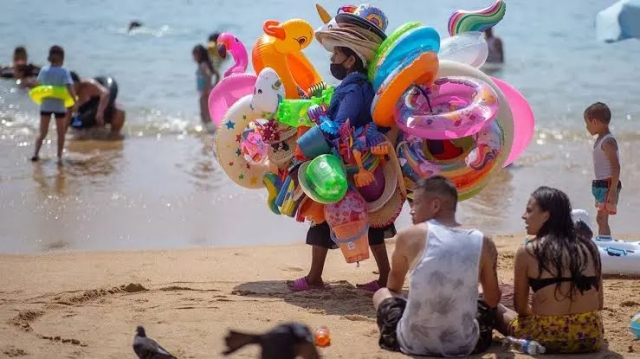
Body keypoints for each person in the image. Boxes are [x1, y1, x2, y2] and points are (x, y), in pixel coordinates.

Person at [287, 6, 394, 292]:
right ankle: (385, 277)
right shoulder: (357, 84)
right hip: (361, 160)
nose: (332, 58)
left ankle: (314, 278)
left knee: (323, 213)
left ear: (350, 59)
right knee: (372, 222)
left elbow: (340, 125)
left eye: (337, 53)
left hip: (348, 161)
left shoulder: (353, 88)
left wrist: (320, 118)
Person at [373, 175, 501, 356]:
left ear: (435, 205)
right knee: (482, 300)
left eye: (416, 203)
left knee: (382, 294)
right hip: (465, 346)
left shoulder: (408, 236)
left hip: (412, 344)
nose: (411, 211)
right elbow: (493, 299)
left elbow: (393, 288)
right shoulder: (484, 242)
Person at [496, 186, 604, 354]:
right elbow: (600, 303)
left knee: (497, 309)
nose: (524, 216)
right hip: (590, 336)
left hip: (547, 338)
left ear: (546, 216)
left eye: (529, 211)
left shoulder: (528, 251)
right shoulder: (589, 247)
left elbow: (521, 309)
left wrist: (547, 311)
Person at [32, 46, 77, 162]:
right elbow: (69, 87)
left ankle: (35, 154)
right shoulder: (64, 71)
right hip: (59, 107)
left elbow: (38, 86)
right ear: (62, 58)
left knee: (43, 132)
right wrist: (74, 101)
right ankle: (59, 157)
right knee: (61, 133)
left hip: (46, 105)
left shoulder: (44, 70)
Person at [584, 102, 621, 241]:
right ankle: (604, 241)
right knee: (601, 218)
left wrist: (612, 190)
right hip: (601, 184)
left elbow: (616, 167)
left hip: (608, 185)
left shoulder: (607, 141)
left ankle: (606, 244)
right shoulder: (601, 139)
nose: (587, 127)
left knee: (602, 218)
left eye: (587, 124)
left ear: (595, 121)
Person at [69, 72, 126, 139]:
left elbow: (105, 93)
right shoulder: (66, 95)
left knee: (119, 110)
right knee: (80, 134)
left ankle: (114, 134)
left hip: (101, 111)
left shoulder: (88, 85)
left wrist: (100, 112)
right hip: (84, 118)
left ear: (77, 83)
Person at [193, 44, 214, 126]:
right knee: (204, 111)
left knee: (204, 112)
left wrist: (207, 88)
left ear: (199, 55)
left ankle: (208, 128)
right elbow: (215, 74)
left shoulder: (203, 65)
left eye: (194, 55)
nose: (193, 57)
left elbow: (209, 75)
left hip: (205, 92)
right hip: (204, 91)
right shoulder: (203, 65)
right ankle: (208, 127)